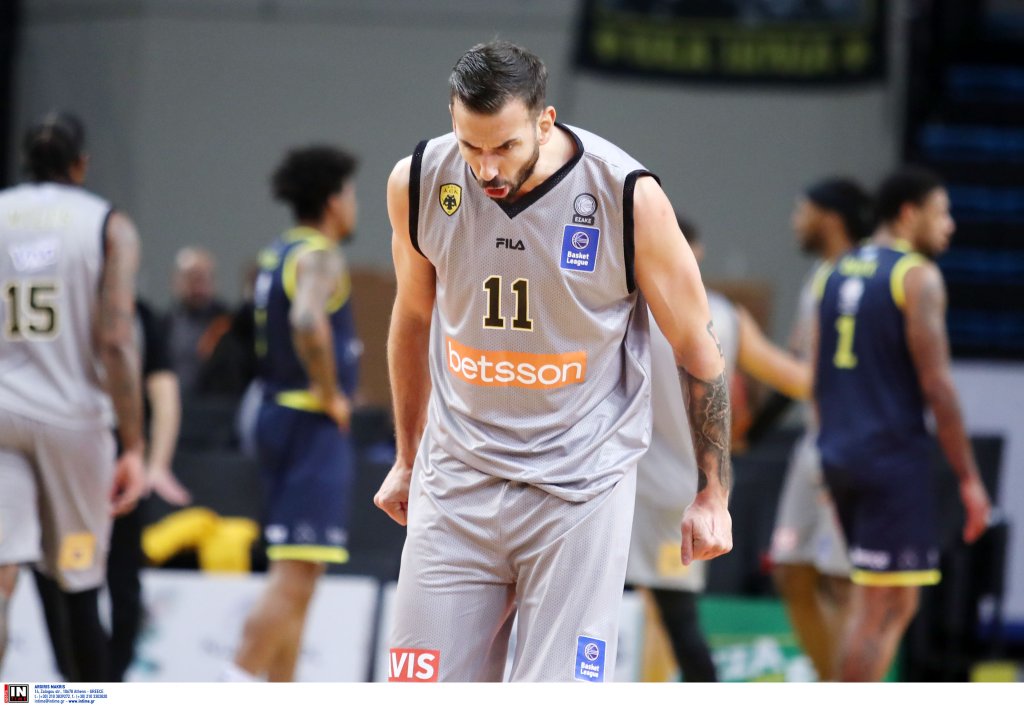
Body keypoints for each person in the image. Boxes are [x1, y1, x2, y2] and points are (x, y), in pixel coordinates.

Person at [373, 41, 732, 682]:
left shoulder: (627, 197)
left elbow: (697, 347)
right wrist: (406, 457)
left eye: (504, 146)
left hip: (579, 484)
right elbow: (412, 317)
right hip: (457, 477)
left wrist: (714, 493)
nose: (486, 167)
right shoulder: (420, 179)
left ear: (545, 122)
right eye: (471, 146)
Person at [813, 165, 991, 681]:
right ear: (909, 214)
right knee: (883, 606)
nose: (950, 225)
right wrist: (969, 478)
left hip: (840, 454)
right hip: (890, 459)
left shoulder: (833, 272)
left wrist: (827, 453)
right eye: (942, 213)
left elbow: (818, 379)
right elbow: (938, 387)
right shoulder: (916, 276)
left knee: (893, 600)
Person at [627, 214, 811, 682]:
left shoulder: (614, 303)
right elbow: (798, 381)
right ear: (696, 253)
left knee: (603, 620)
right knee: (677, 622)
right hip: (683, 492)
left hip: (620, 486)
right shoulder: (725, 315)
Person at [0, 110, 146, 680]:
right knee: (78, 577)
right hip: (72, 421)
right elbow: (116, 340)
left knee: (2, 575)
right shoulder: (108, 224)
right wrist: (133, 444)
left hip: (2, 411)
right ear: (81, 164)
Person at [224, 144, 360, 682]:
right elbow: (307, 320)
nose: (354, 205)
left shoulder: (277, 252)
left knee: (301, 572)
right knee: (296, 576)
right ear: (332, 201)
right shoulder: (319, 255)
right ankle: (232, 684)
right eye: (350, 194)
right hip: (307, 422)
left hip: (275, 414)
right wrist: (329, 392)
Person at [32, 296, 189, 681]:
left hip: (112, 459)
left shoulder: (137, 313)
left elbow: (164, 388)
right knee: (65, 575)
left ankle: (105, 682)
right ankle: (85, 683)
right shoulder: (59, 300)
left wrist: (154, 461)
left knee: (106, 577)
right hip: (66, 454)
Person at [766, 177, 870, 680]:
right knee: (790, 571)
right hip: (814, 442)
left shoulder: (865, 277)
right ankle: (831, 682)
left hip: (853, 443)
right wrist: (754, 428)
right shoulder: (819, 275)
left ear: (829, 216)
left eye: (801, 211)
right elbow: (796, 365)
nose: (794, 222)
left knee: (844, 581)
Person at [164, 245, 230, 395]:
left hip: (218, 404)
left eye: (203, 278)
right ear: (176, 280)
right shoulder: (164, 325)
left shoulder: (229, 324)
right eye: (192, 278)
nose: (198, 286)